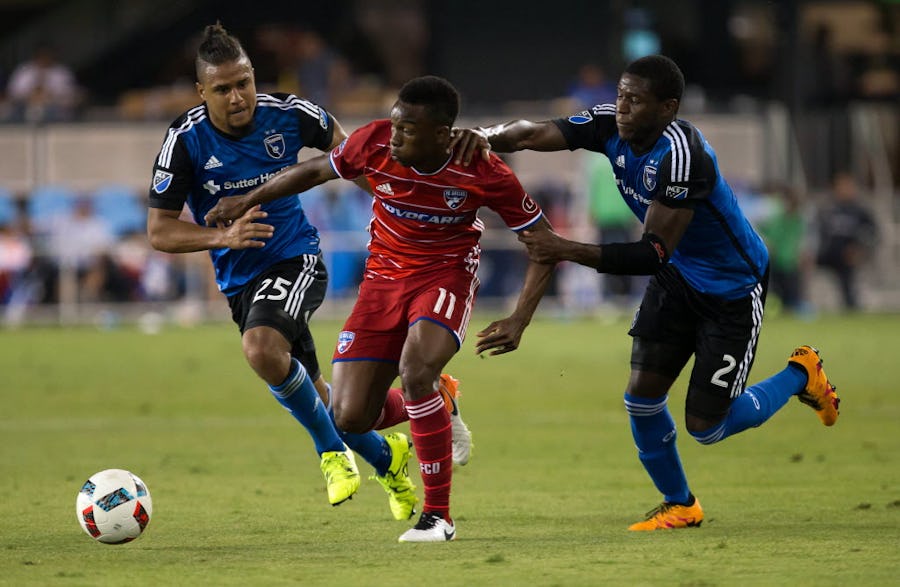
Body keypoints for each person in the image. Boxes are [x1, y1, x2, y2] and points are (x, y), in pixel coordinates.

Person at [450, 54, 841, 531]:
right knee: (641, 396)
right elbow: (531, 133)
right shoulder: (608, 127)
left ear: (668, 107)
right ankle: (680, 503)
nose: (621, 108)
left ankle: (802, 373)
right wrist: (485, 136)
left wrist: (562, 247)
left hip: (731, 288)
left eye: (635, 100)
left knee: (707, 426)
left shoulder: (683, 157)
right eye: (619, 96)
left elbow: (651, 253)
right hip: (679, 276)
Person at [204, 75, 555, 542]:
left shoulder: (482, 170)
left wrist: (519, 318)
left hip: (443, 277)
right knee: (350, 417)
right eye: (394, 124)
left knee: (414, 369)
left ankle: (438, 517)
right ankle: (439, 399)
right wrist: (247, 198)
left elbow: (542, 242)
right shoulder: (373, 142)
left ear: (440, 134)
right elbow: (314, 171)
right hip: (382, 282)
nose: (395, 136)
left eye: (407, 129)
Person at [146, 24, 471, 524]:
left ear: (255, 77)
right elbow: (160, 231)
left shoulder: (290, 114)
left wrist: (401, 208)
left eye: (245, 82)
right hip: (239, 280)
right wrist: (223, 239)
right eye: (223, 89)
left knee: (261, 349)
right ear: (201, 92)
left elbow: (355, 158)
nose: (238, 97)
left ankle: (330, 454)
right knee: (329, 400)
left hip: (295, 258)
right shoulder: (185, 141)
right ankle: (393, 454)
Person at [816, 172, 877, 311]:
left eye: (847, 186)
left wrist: (860, 249)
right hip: (827, 253)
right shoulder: (828, 209)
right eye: (841, 186)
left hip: (848, 256)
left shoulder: (860, 211)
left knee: (848, 282)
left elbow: (872, 233)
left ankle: (850, 307)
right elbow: (817, 231)